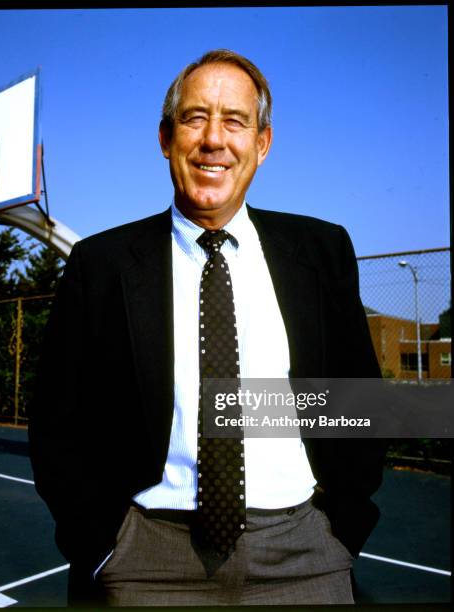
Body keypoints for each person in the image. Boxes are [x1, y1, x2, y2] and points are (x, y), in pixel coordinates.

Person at [28, 48, 386, 607]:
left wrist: (342, 528)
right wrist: (102, 546)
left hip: (304, 557)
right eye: (195, 118)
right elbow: (56, 422)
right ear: (166, 138)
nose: (213, 139)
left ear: (262, 144)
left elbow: (359, 401)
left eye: (235, 121)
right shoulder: (100, 264)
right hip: (146, 559)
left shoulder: (321, 251)